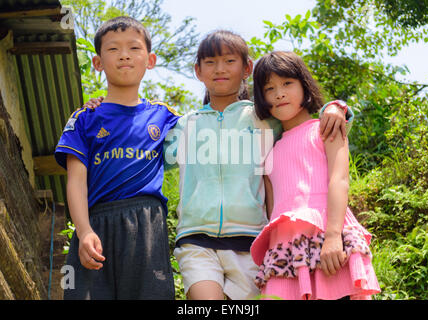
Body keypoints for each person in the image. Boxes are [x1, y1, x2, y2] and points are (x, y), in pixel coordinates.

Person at [84, 30, 353, 300]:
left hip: (251, 242)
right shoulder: (182, 125)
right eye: (210, 63)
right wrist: (103, 107)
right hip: (195, 240)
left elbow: (307, 126)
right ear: (198, 71)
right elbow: (136, 139)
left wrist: (337, 107)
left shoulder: (265, 120)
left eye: (229, 61)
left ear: (247, 68)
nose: (220, 69)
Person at [54, 16, 180, 300]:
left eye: (134, 48)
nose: (124, 55)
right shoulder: (84, 118)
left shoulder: (166, 116)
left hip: (148, 225)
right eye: (113, 49)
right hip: (96, 224)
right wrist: (84, 230)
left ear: (150, 60)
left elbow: (208, 132)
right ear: (98, 63)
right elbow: (76, 181)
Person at [250, 51, 380, 300]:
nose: (279, 93)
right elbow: (271, 209)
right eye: (269, 88)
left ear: (304, 85)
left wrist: (333, 237)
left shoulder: (326, 128)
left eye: (287, 83)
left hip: (328, 238)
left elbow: (339, 180)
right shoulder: (268, 154)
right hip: (287, 253)